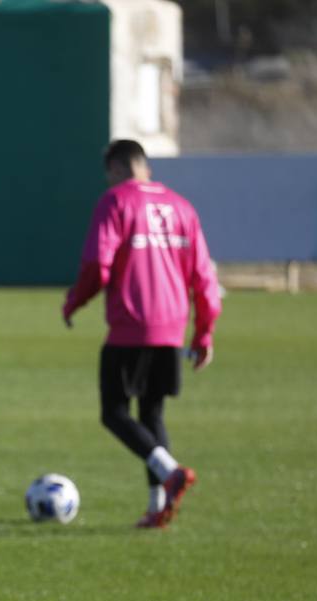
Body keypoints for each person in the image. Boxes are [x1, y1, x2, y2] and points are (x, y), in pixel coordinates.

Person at [63, 139, 222, 528]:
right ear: (145, 166)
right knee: (152, 414)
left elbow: (98, 266)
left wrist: (74, 302)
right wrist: (203, 334)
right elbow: (204, 279)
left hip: (131, 325)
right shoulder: (182, 207)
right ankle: (157, 508)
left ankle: (170, 473)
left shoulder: (115, 202)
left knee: (114, 412)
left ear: (116, 168)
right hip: (171, 328)